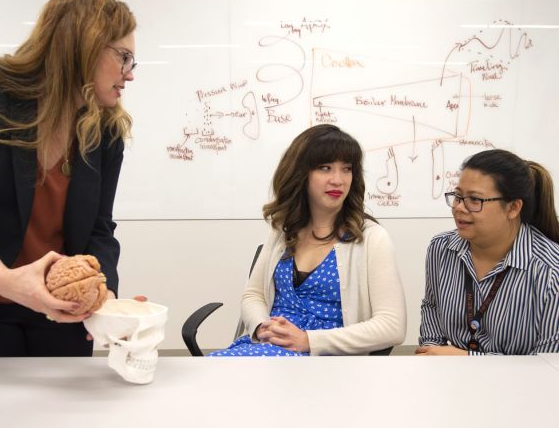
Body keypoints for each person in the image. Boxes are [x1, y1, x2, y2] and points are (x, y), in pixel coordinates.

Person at [0, 0, 137, 356]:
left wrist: (106, 293)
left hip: (60, 314)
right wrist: (3, 278)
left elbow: (100, 226)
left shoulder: (107, 130)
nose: (130, 75)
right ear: (85, 44)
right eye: (124, 57)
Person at [210, 124, 406, 356]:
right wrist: (263, 326)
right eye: (325, 168)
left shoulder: (371, 238)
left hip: (323, 360)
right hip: (266, 348)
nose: (338, 180)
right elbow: (254, 295)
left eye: (346, 169)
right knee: (208, 378)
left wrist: (309, 340)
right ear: (300, 173)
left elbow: (393, 326)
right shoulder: (284, 231)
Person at [417, 149, 559, 356]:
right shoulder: (441, 248)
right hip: (448, 378)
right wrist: (432, 353)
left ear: (513, 208)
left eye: (475, 200)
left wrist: (467, 359)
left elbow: (549, 367)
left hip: (522, 388)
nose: (459, 207)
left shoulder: (550, 271)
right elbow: (431, 307)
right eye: (458, 196)